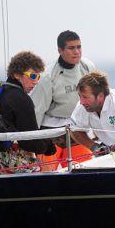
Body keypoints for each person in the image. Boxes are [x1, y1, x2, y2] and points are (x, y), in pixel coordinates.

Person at [29, 30, 97, 169]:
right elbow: (36, 111)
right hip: (51, 134)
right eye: (71, 48)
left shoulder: (87, 67)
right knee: (47, 176)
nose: (76, 51)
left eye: (79, 47)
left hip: (77, 131)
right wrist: (30, 144)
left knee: (88, 171)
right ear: (60, 50)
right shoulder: (48, 76)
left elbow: (96, 101)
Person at [68, 70, 115, 157]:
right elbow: (74, 129)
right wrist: (94, 147)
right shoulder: (82, 106)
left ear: (100, 96)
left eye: (85, 97)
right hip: (109, 153)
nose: (81, 102)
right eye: (80, 96)